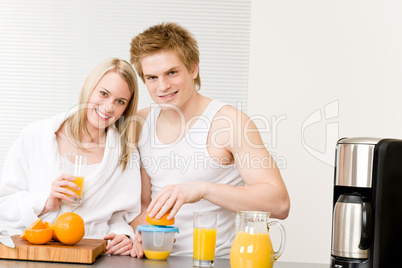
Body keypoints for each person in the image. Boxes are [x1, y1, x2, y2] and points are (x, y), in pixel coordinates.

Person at [129, 22, 290, 258]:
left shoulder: (231, 123)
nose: (162, 86)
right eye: (152, 77)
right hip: (156, 261)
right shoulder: (140, 123)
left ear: (193, 69)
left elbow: (280, 203)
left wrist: (202, 189)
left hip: (215, 262)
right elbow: (143, 205)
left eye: (172, 72)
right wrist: (137, 234)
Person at [0, 58, 141, 255]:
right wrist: (46, 202)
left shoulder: (125, 155)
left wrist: (124, 236)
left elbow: (120, 216)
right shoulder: (35, 136)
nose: (109, 107)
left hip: (96, 256)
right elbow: (4, 202)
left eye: (120, 101)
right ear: (89, 88)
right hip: (39, 254)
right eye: (103, 93)